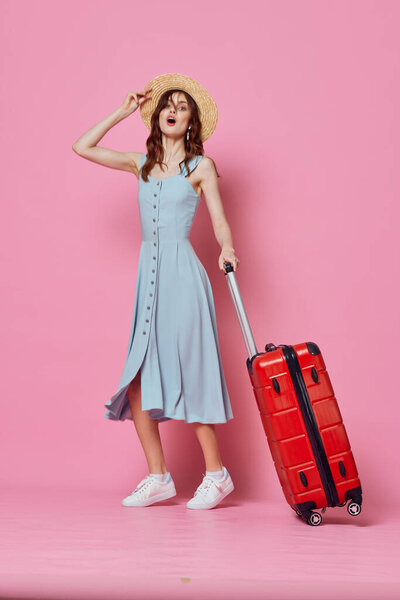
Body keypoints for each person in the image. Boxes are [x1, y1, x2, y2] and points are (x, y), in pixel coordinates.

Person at [72, 73, 240, 510]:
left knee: (192, 372)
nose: (174, 110)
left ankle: (217, 474)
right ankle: (159, 477)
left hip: (184, 275)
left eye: (184, 106)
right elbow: (82, 147)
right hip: (149, 276)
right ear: (156, 115)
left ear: (192, 123)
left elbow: (220, 218)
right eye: (169, 103)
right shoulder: (140, 164)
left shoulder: (201, 167)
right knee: (139, 383)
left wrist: (227, 248)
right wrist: (121, 111)